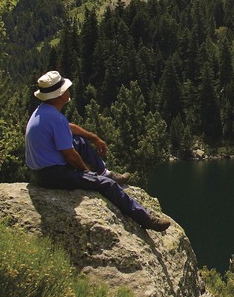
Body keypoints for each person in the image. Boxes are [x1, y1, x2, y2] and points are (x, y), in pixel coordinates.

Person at [25, 70, 172, 232]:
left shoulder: (44, 112)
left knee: (79, 141)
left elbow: (68, 128)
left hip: (40, 172)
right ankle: (146, 219)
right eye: (65, 89)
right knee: (107, 185)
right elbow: (70, 156)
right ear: (59, 95)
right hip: (52, 175)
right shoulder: (55, 118)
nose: (68, 91)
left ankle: (104, 172)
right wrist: (87, 173)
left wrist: (93, 137)